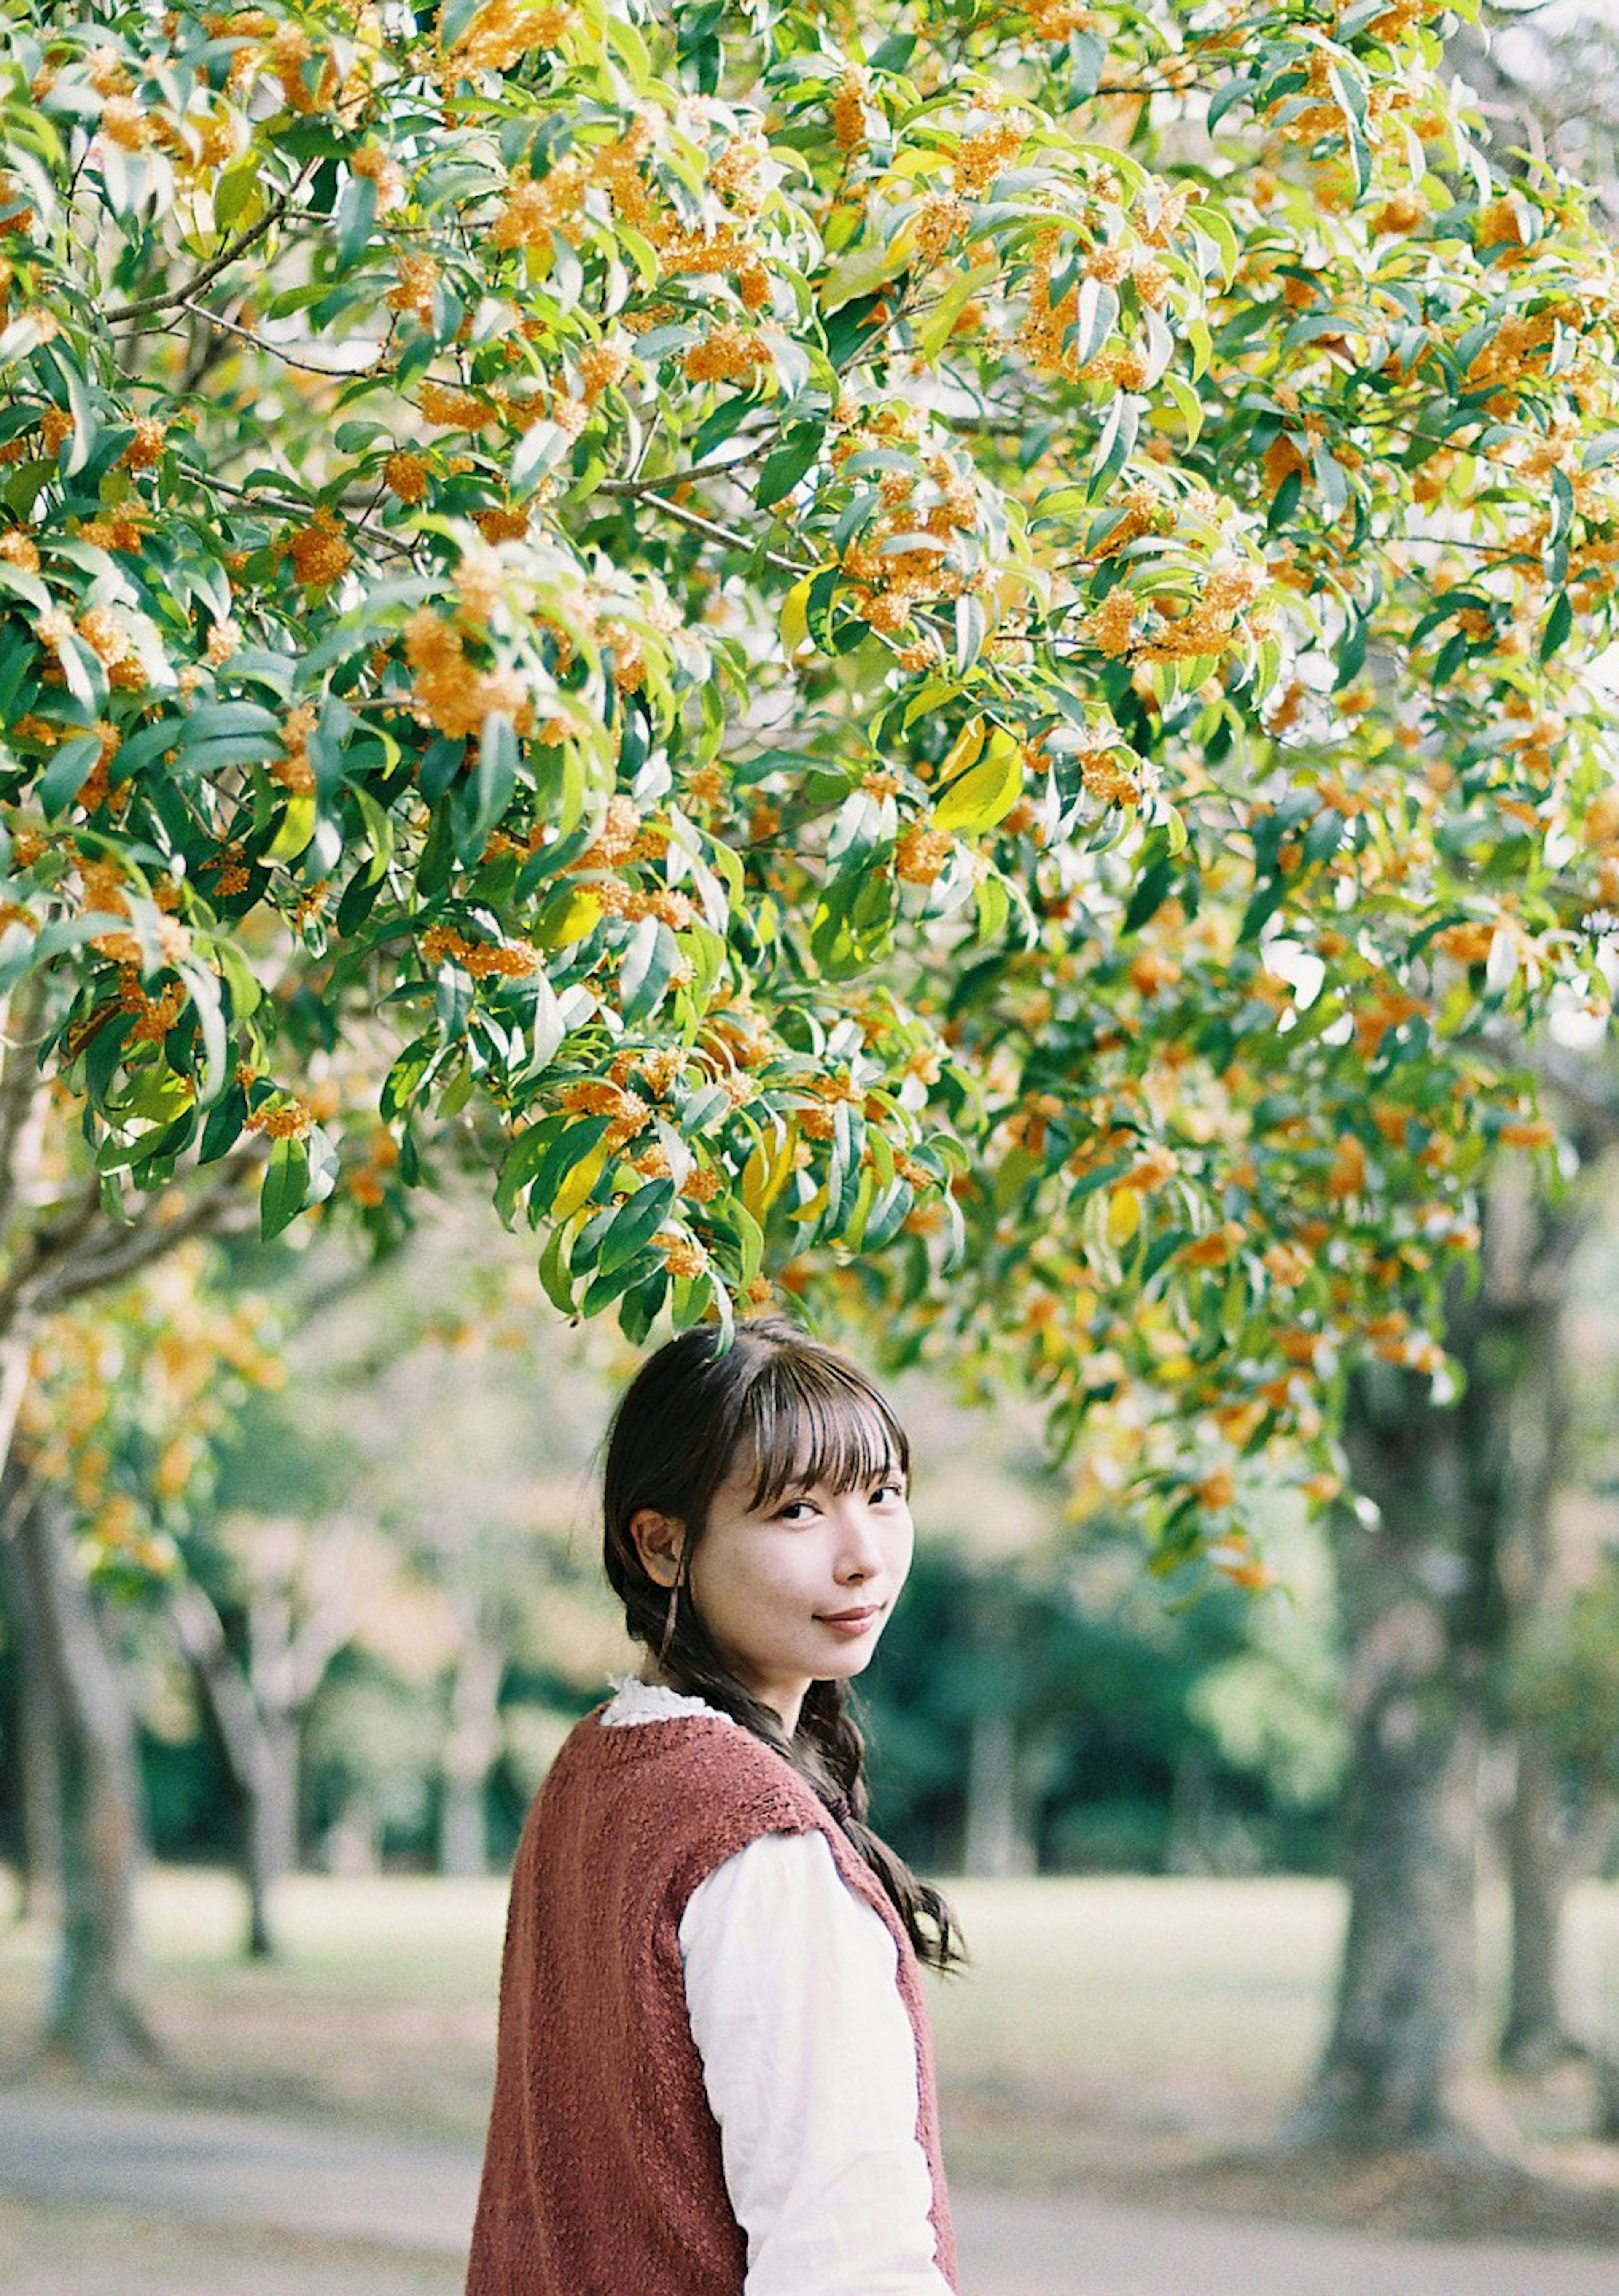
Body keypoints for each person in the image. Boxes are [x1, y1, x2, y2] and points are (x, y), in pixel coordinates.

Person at [465, 1315, 962, 2296]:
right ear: (662, 1545)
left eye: (883, 1494)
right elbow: (846, 2254)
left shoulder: (600, 1765)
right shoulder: (754, 1839)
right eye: (796, 1511)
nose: (863, 1554)